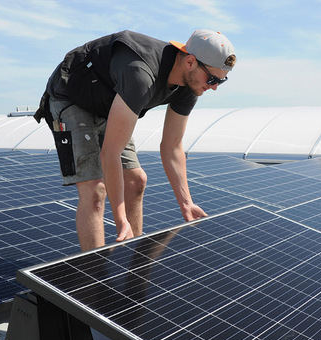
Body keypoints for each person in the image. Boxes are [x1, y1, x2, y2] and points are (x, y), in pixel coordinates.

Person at [34, 29, 236, 251]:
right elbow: (110, 152)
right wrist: (120, 219)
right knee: (95, 191)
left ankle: (134, 262)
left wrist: (186, 203)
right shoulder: (141, 73)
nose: (215, 87)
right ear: (190, 61)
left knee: (137, 180)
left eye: (221, 81)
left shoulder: (191, 87)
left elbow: (172, 146)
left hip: (108, 101)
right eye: (212, 78)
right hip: (72, 96)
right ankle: (96, 277)